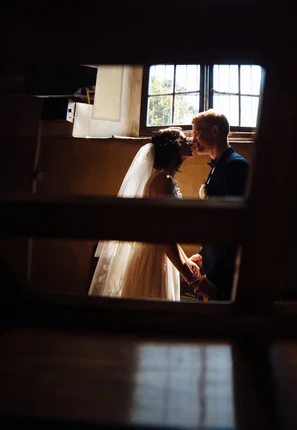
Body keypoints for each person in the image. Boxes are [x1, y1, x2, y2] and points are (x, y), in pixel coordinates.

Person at [89, 127, 201, 300]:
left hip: (162, 256)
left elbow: (167, 231)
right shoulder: (162, 181)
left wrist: (186, 260)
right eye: (184, 139)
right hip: (154, 260)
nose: (190, 141)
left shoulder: (166, 180)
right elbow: (163, 235)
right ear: (174, 147)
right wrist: (188, 275)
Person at [190, 110, 249, 300]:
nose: (193, 140)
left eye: (196, 133)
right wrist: (203, 255)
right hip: (213, 266)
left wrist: (215, 278)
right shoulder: (218, 167)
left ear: (214, 130)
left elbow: (236, 228)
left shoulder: (235, 167)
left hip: (226, 278)